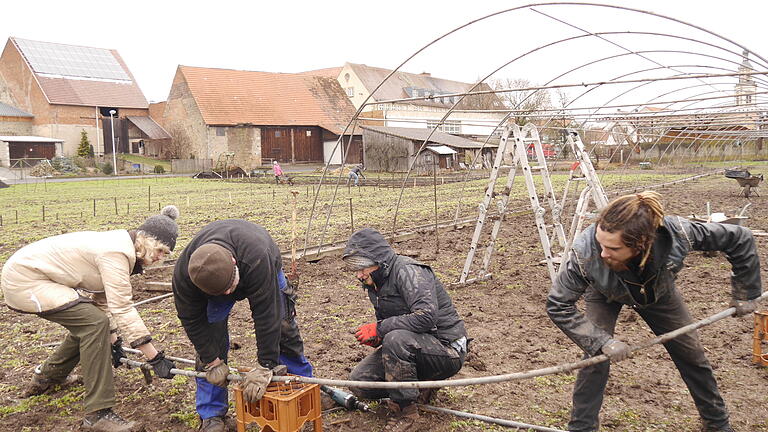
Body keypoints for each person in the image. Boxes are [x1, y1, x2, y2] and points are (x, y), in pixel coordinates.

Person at [547, 191, 762, 432]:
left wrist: (745, 292)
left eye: (613, 248)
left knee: (692, 355)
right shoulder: (585, 255)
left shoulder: (677, 233)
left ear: (641, 244)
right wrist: (601, 341)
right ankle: (581, 428)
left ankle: (716, 424)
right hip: (603, 290)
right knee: (596, 359)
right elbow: (558, 305)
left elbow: (739, 238)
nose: (603, 252)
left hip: (657, 291)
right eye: (600, 243)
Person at [1, 205, 181, 432]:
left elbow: (102, 300)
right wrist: (155, 358)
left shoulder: (122, 247)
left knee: (90, 322)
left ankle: (48, 377)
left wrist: (114, 341)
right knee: (94, 324)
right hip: (26, 281)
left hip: (34, 276)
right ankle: (98, 413)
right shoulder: (117, 253)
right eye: (160, 250)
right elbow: (122, 307)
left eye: (166, 254)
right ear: (146, 240)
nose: (159, 258)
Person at [172, 219, 313, 432]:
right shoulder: (185, 277)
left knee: (284, 326)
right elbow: (192, 320)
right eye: (222, 292)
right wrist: (212, 360)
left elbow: (267, 315)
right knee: (211, 337)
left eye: (230, 287)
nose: (229, 295)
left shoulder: (256, 257)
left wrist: (266, 364)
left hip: (262, 265)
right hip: (217, 282)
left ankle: (303, 387)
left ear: (233, 262)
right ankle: (211, 415)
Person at [342, 228, 468, 432]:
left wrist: (380, 329)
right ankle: (421, 386)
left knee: (395, 339)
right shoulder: (376, 283)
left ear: (378, 260)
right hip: (414, 344)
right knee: (360, 383)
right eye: (355, 269)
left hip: (446, 349)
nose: (359, 274)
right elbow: (397, 324)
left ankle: (405, 411)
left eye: (362, 267)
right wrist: (378, 337)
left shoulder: (408, 271)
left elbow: (426, 317)